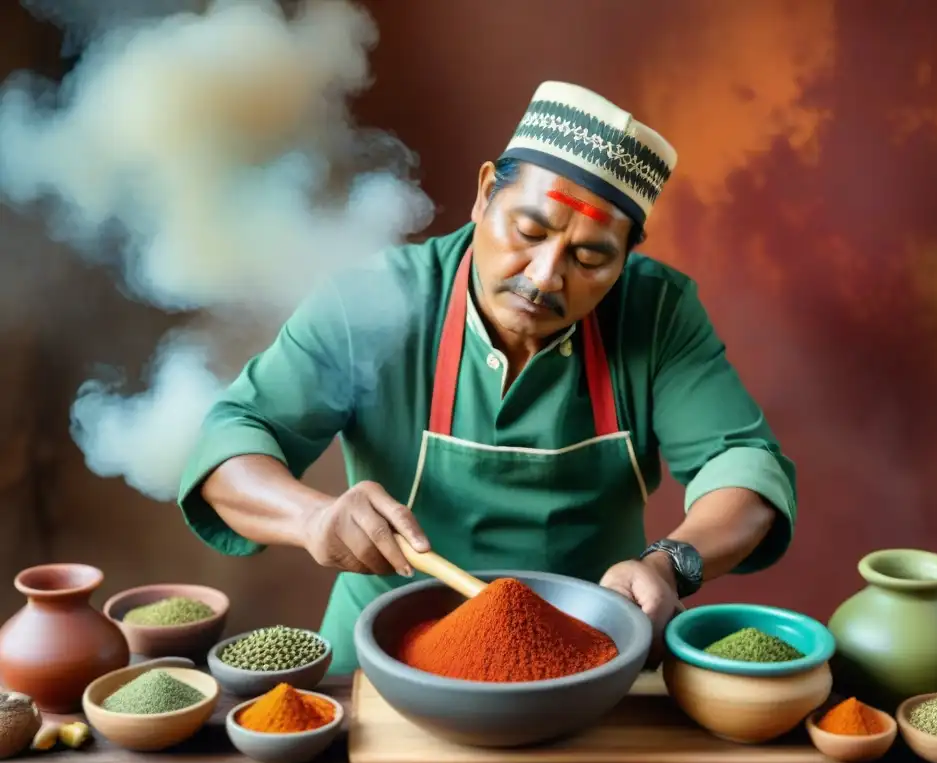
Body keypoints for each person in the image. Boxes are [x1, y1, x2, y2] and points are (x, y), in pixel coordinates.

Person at [178, 81, 797, 674]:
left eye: (590, 257)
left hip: (588, 658)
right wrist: (312, 518)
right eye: (529, 231)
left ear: (628, 254)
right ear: (483, 194)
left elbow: (742, 464)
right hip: (383, 661)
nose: (546, 275)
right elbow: (233, 439)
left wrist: (671, 564)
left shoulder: (657, 314)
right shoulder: (374, 300)